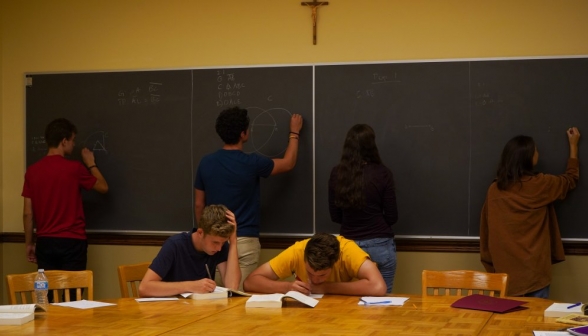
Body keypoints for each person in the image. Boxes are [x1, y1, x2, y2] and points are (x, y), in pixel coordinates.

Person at [194, 106, 303, 290]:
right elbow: (288, 163)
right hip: (244, 241)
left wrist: (206, 234)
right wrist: (294, 132)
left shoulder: (206, 163)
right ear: (243, 133)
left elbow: (199, 204)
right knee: (237, 298)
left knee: (215, 298)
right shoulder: (251, 163)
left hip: (213, 240)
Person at [480, 127, 580, 298]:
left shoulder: (495, 190)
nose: (538, 154)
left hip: (505, 274)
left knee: (507, 324)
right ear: (528, 158)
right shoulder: (541, 184)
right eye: (536, 151)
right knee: (535, 323)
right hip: (536, 273)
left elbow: (486, 231)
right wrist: (573, 146)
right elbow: (570, 179)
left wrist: (491, 266)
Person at [22, 118, 108, 297]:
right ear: (64, 141)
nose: (74, 144)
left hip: (45, 242)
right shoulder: (75, 168)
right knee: (73, 298)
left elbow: (28, 213)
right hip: (72, 241)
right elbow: (103, 187)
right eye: (73, 140)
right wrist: (90, 163)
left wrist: (29, 243)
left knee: (46, 298)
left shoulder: (32, 171)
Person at [328, 124, 398, 293]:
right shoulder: (383, 173)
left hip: (348, 247)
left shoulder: (337, 173)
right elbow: (392, 216)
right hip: (380, 245)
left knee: (346, 301)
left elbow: (335, 216)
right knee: (383, 299)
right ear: (372, 145)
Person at [139, 205, 240, 297]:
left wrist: (233, 242)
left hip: (199, 309)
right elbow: (144, 288)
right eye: (215, 242)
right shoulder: (175, 245)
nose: (219, 248)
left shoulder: (220, 246)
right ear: (200, 232)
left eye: (223, 243)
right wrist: (190, 286)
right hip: (169, 309)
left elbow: (232, 286)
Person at [243, 233, 387, 296]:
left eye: (323, 275)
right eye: (310, 273)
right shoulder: (297, 251)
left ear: (335, 261)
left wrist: (325, 287)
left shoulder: (347, 250)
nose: (316, 280)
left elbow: (378, 287)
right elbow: (250, 282)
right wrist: (287, 287)